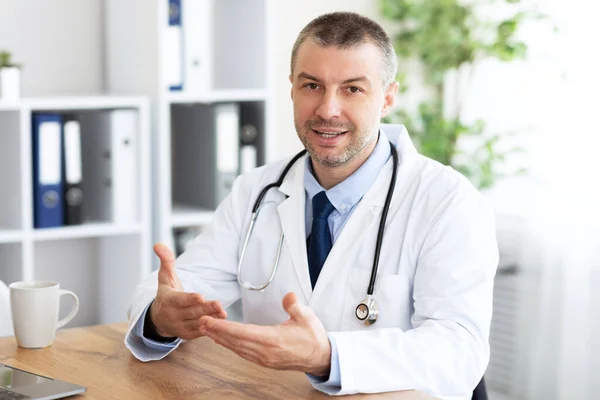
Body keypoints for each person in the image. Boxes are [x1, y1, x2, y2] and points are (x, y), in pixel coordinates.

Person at [125, 11, 498, 399]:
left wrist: (329, 357)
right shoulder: (257, 190)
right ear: (292, 88)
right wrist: (160, 317)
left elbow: (459, 348)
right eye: (312, 85)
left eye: (352, 89)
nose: (327, 109)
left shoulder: (448, 203)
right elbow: (179, 288)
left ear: (387, 97)